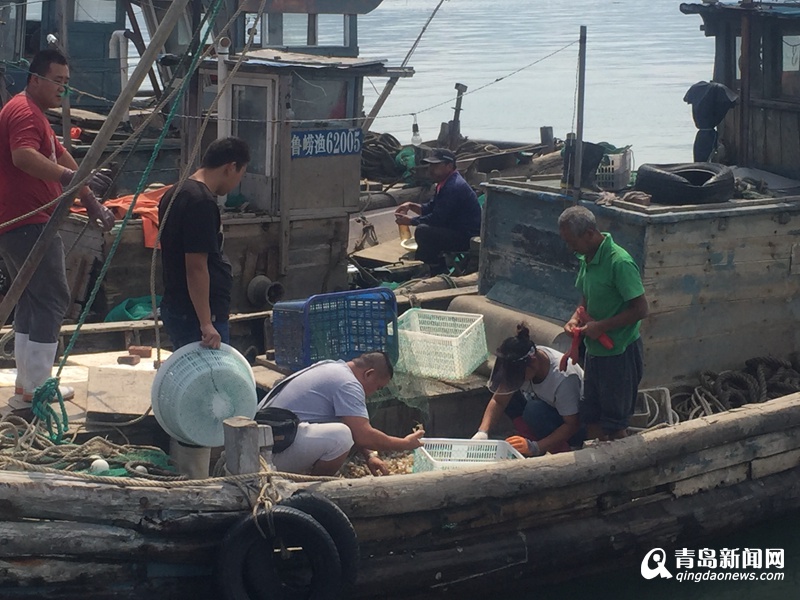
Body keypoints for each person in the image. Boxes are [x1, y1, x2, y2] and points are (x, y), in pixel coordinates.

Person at [0, 49, 115, 403]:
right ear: (34, 79)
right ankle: (37, 388)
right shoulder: (23, 112)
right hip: (28, 221)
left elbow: (67, 161)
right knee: (52, 298)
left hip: (23, 221)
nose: (62, 89)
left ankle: (26, 385)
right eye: (56, 81)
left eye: (66, 83)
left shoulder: (37, 117)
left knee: (33, 301)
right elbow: (23, 155)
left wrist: (91, 201)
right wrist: (68, 177)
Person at [558, 205, 648, 441]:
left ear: (589, 234)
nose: (570, 248)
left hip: (619, 353)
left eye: (572, 241)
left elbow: (640, 309)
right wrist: (576, 317)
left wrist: (602, 326)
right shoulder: (587, 257)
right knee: (592, 417)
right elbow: (587, 296)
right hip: (595, 352)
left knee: (615, 421)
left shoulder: (620, 262)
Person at [258, 352, 425, 476]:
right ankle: (314, 491)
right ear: (369, 374)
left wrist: (369, 456)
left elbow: (353, 426)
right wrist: (404, 444)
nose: (374, 393)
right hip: (267, 456)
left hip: (268, 442)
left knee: (343, 432)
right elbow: (363, 435)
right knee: (341, 437)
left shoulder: (333, 367)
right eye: (378, 387)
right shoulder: (348, 384)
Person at [158, 137, 250, 350]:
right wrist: (206, 323)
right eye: (240, 175)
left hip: (177, 306)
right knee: (212, 381)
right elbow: (196, 266)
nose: (236, 183)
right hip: (196, 317)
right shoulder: (201, 202)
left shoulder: (174, 192)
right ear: (231, 167)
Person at [472, 323, 584, 457]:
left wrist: (537, 447)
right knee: (509, 396)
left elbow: (572, 424)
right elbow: (499, 400)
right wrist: (482, 432)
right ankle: (526, 440)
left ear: (533, 363)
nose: (518, 379)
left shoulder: (564, 378)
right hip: (545, 406)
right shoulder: (528, 359)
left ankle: (557, 448)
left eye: (520, 375)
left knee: (534, 410)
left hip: (575, 424)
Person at [394, 148, 481, 273]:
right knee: (424, 229)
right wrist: (411, 206)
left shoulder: (454, 187)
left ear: (449, 166)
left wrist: (411, 221)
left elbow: (437, 219)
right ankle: (434, 265)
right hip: (454, 229)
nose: (430, 169)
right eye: (430, 165)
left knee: (423, 232)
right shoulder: (444, 183)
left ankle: (435, 268)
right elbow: (431, 208)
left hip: (466, 237)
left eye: (436, 166)